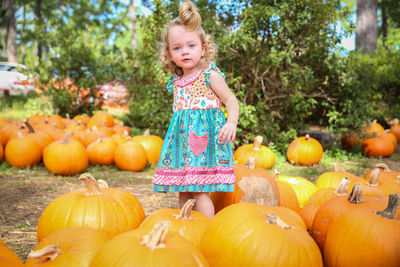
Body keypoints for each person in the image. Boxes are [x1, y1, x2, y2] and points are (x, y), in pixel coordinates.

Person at [153, 0, 239, 219]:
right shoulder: (177, 82)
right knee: (183, 188)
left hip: (205, 141)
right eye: (177, 48)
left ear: (203, 48)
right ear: (170, 54)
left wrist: (231, 123)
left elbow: (230, 100)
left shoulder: (209, 75)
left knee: (199, 189)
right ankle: (186, 223)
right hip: (182, 145)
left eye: (191, 46)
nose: (185, 52)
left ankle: (207, 228)